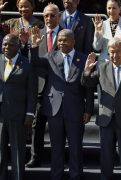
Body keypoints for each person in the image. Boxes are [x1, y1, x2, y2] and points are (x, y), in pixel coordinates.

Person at [30, 28, 94, 180]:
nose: (61, 42)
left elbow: (89, 88)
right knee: (56, 147)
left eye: (65, 39)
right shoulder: (51, 56)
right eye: (59, 40)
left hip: (76, 109)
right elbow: (35, 64)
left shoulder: (83, 58)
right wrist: (33, 46)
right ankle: (56, 175)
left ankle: (76, 174)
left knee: (75, 146)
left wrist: (88, 110)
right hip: (55, 108)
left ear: (73, 41)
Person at [81, 37, 121, 180]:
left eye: (118, 52)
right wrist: (87, 70)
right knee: (106, 155)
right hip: (106, 119)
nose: (115, 55)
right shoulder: (102, 67)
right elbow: (87, 83)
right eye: (111, 52)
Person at [26, 3, 63, 168]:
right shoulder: (37, 34)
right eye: (46, 15)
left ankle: (59, 159)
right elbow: (32, 63)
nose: (49, 18)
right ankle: (35, 157)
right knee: (37, 125)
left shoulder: (66, 35)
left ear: (59, 16)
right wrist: (33, 46)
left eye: (52, 15)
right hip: (40, 87)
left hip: (59, 88)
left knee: (58, 128)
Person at [0, 34, 36, 180]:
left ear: (18, 46)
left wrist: (30, 113)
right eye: (4, 44)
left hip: (18, 114)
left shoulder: (26, 64)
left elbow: (32, 91)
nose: (6, 47)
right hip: (0, 114)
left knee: (17, 150)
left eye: (11, 45)